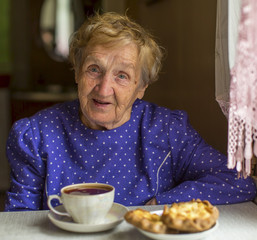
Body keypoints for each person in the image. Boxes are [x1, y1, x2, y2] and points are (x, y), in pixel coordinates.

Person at [5, 12, 256, 211]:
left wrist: (162, 202)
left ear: (141, 87)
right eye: (94, 69)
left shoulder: (167, 131)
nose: (104, 89)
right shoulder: (36, 136)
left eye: (122, 76)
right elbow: (19, 222)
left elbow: (238, 180)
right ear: (77, 71)